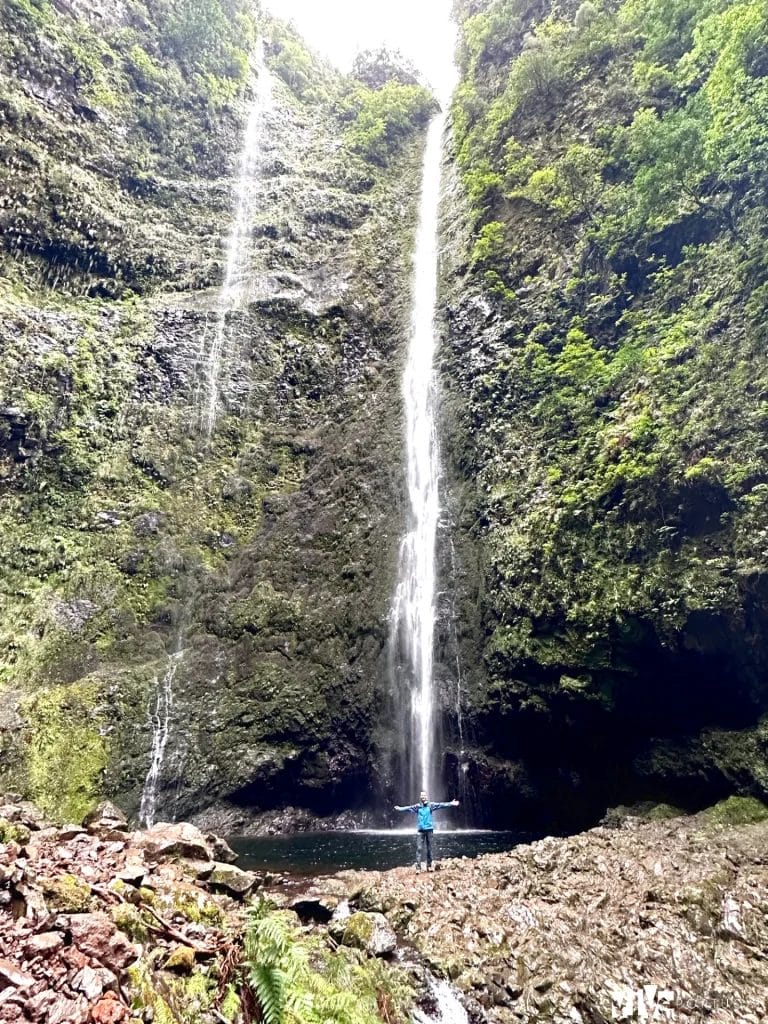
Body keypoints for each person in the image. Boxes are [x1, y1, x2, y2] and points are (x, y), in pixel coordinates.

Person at [394, 791, 459, 871]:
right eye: (422, 795)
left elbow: (441, 805)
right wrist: (400, 808)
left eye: (424, 795)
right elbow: (408, 808)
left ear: (426, 796)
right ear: (420, 797)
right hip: (420, 831)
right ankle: (418, 868)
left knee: (429, 849)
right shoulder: (418, 806)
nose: (423, 796)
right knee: (419, 849)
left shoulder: (431, 805)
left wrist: (451, 803)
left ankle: (429, 866)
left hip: (429, 830)